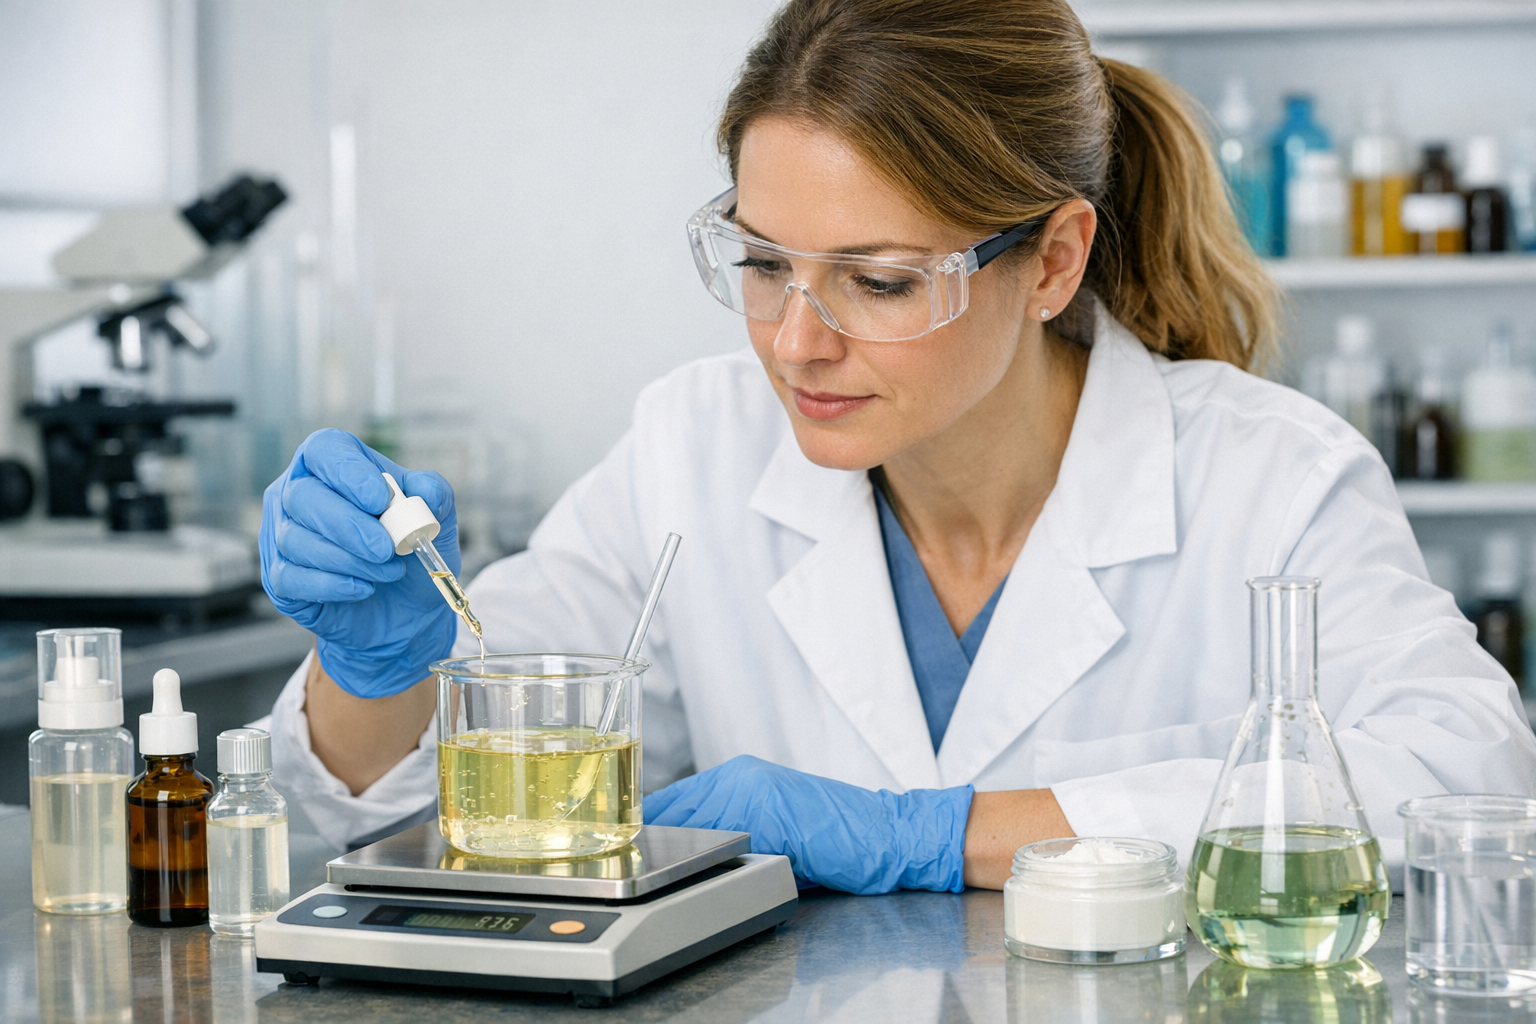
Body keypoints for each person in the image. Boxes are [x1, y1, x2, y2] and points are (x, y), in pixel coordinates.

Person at [259, 0, 1536, 891]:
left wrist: (951, 833)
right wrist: (376, 671)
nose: (794, 344)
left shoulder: (1271, 478)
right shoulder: (691, 448)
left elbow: (1469, 777)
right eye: (763, 264)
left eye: (875, 282)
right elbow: (424, 809)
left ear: (1051, 261)